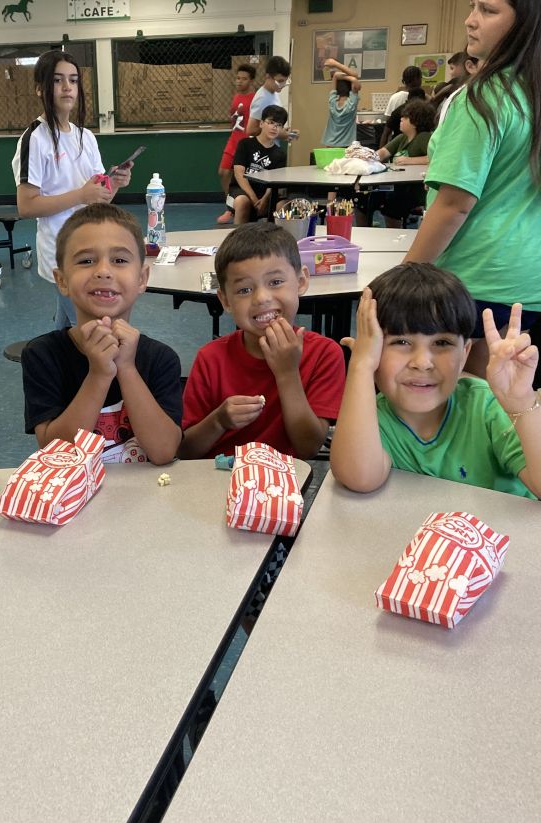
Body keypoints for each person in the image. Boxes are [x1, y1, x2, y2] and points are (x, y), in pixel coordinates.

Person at [403, 0, 541, 378]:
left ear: (525, 23)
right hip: (530, 283)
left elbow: (453, 205)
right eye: (472, 6)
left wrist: (402, 280)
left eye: (488, 10)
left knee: (468, 406)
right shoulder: (532, 92)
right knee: (513, 404)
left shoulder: (484, 97)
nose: (470, 20)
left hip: (477, 281)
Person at [330, 263, 540, 498]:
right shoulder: (370, 419)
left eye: (442, 343)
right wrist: (360, 366)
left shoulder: (486, 407)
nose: (422, 362)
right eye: (401, 342)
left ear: (465, 354)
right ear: (371, 350)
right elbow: (359, 478)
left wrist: (522, 402)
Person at [21, 203, 182, 466]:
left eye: (119, 260)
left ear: (142, 279)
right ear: (62, 280)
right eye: (86, 261)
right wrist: (99, 374)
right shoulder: (43, 355)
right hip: (74, 490)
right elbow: (56, 455)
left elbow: (163, 451)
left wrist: (126, 368)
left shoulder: (161, 359)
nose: (103, 271)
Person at [179, 224, 345, 461]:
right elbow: (185, 451)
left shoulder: (324, 354)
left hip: (285, 479)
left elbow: (308, 447)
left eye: (275, 282)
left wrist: (287, 373)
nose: (261, 298)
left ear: (301, 282)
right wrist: (219, 420)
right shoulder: (210, 358)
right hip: (217, 477)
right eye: (244, 289)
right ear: (225, 300)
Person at [13, 50, 132, 330]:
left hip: (91, 246)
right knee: (94, 329)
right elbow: (26, 206)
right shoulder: (35, 139)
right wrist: (80, 194)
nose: (67, 87)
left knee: (69, 330)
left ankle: (53, 358)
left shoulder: (85, 137)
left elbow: (98, 199)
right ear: (40, 88)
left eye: (73, 80)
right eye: (57, 80)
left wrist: (114, 183)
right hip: (62, 253)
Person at [356, 99, 435, 228]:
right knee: (362, 198)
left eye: (405, 117)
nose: (401, 119)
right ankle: (364, 231)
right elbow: (382, 153)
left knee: (392, 204)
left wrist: (410, 161)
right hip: (396, 185)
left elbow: (434, 158)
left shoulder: (424, 137)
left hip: (414, 189)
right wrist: (365, 156)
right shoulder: (402, 137)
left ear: (416, 122)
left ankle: (394, 232)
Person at [228, 105, 289, 225]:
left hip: (265, 194)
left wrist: (265, 200)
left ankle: (276, 236)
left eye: (279, 125)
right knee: (243, 202)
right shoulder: (245, 144)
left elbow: (274, 182)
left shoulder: (280, 154)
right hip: (241, 191)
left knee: (283, 205)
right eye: (271, 123)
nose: (274, 128)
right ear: (261, 123)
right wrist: (253, 198)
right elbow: (239, 173)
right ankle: (239, 236)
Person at [216, 63, 257, 224]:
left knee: (239, 177)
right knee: (223, 172)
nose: (239, 81)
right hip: (233, 139)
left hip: (246, 142)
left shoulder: (255, 99)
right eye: (238, 78)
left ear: (251, 81)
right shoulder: (236, 96)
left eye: (244, 79)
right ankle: (230, 206)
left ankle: (235, 209)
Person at [247, 56, 296, 139]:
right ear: (268, 76)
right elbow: (251, 130)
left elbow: (270, 123)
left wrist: (285, 132)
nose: (283, 85)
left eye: (285, 81)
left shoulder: (274, 93)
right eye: (280, 81)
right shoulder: (262, 99)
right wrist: (279, 133)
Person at [320, 58, 361, 147]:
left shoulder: (332, 102)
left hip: (330, 145)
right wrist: (336, 64)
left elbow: (335, 76)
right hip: (346, 146)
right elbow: (355, 79)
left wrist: (336, 73)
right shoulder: (351, 104)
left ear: (336, 90)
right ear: (350, 89)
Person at [380, 66, 424, 146]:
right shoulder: (423, 98)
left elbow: (388, 123)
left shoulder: (394, 97)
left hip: (397, 141)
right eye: (421, 78)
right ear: (418, 79)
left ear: (403, 81)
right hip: (418, 142)